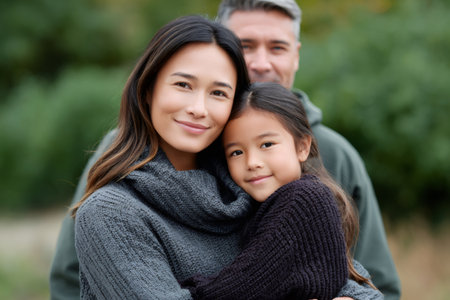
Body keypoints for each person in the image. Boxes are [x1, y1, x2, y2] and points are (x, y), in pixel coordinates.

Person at [49, 1, 400, 299]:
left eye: (218, 93)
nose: (199, 108)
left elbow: (353, 280)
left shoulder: (253, 184)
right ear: (147, 91)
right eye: (183, 85)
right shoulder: (113, 213)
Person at [215, 1, 401, 299]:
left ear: (295, 56)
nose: (261, 63)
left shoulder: (336, 154)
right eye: (245, 46)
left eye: (277, 48)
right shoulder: (172, 144)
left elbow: (381, 286)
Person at [180, 82, 382, 299]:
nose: (252, 162)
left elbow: (244, 285)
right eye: (236, 152)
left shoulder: (303, 199)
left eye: (267, 145)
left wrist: (189, 289)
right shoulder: (265, 206)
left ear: (303, 147)